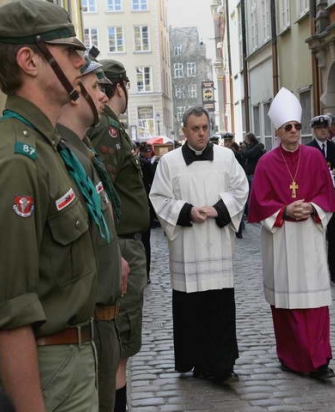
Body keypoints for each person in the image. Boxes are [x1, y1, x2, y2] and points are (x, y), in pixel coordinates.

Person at [0, 1, 99, 411]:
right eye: (68, 51)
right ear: (29, 60)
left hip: (71, 359)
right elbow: (11, 315)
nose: (81, 61)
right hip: (48, 369)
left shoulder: (44, 146)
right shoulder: (16, 160)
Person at [149, 106, 249, 384]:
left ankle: (222, 363)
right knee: (191, 308)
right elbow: (158, 198)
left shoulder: (227, 157)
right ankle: (196, 361)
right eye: (195, 128)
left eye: (205, 127)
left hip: (217, 245)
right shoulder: (168, 163)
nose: (202, 133)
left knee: (220, 307)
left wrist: (219, 209)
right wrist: (187, 212)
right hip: (188, 246)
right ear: (184, 131)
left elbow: (241, 190)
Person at [248, 88, 335, 380]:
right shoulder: (266, 163)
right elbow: (259, 203)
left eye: (297, 127)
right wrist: (284, 211)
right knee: (287, 303)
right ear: (278, 131)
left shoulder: (313, 157)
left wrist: (311, 207)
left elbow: (327, 194)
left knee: (315, 303)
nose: (294, 132)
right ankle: (292, 357)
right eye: (288, 127)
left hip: (309, 237)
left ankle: (319, 358)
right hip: (282, 240)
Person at [57, 58, 129, 412]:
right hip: (80, 325)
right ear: (73, 93)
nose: (105, 95)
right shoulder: (62, 156)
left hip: (101, 316)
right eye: (96, 86)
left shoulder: (80, 152)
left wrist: (114, 257)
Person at [88, 59, 150, 411]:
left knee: (121, 346)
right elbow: (103, 192)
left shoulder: (111, 128)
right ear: (121, 87)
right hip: (122, 244)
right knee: (119, 344)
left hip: (124, 243)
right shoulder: (108, 130)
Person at [307, 115, 335, 284]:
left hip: (332, 198)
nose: (323, 131)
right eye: (319, 128)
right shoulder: (308, 149)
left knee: (334, 237)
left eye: (325, 128)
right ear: (314, 130)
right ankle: (317, 272)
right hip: (316, 200)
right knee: (316, 237)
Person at [138, 142, 156, 283]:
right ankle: (146, 273)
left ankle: (143, 272)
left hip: (141, 206)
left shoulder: (140, 163)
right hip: (145, 206)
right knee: (145, 242)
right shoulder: (146, 164)